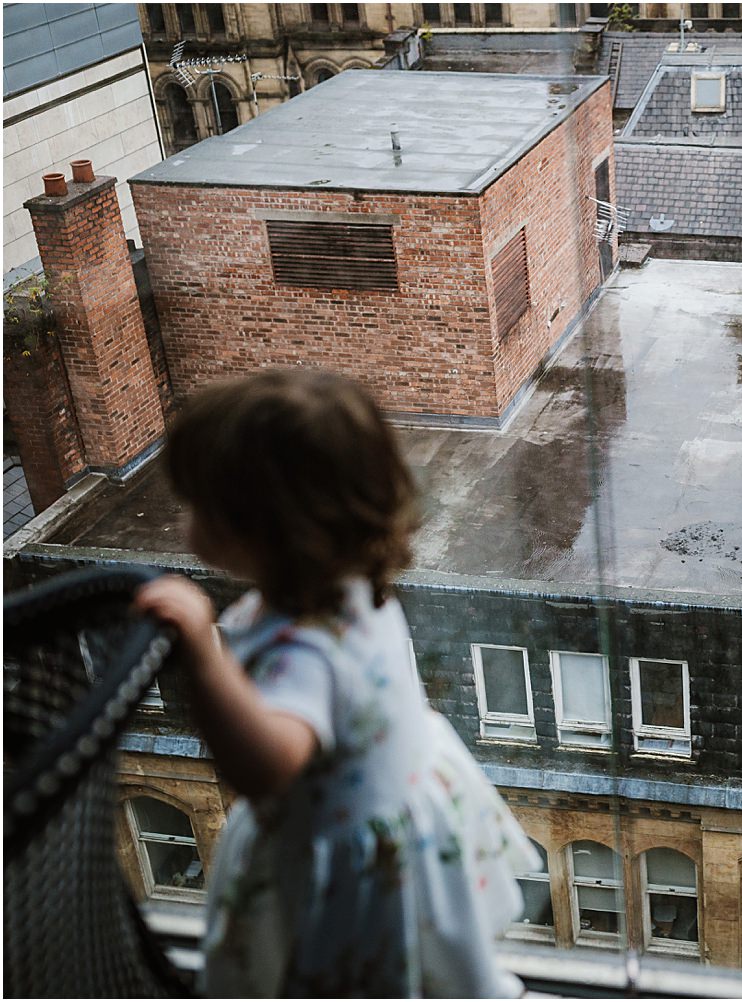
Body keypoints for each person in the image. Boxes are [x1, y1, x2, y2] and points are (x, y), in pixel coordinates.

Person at [134, 368, 540, 997]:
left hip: (339, 862)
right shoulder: (358, 585)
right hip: (395, 818)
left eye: (199, 507)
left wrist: (201, 654)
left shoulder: (305, 650)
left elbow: (264, 767)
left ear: (265, 528)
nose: (185, 521)